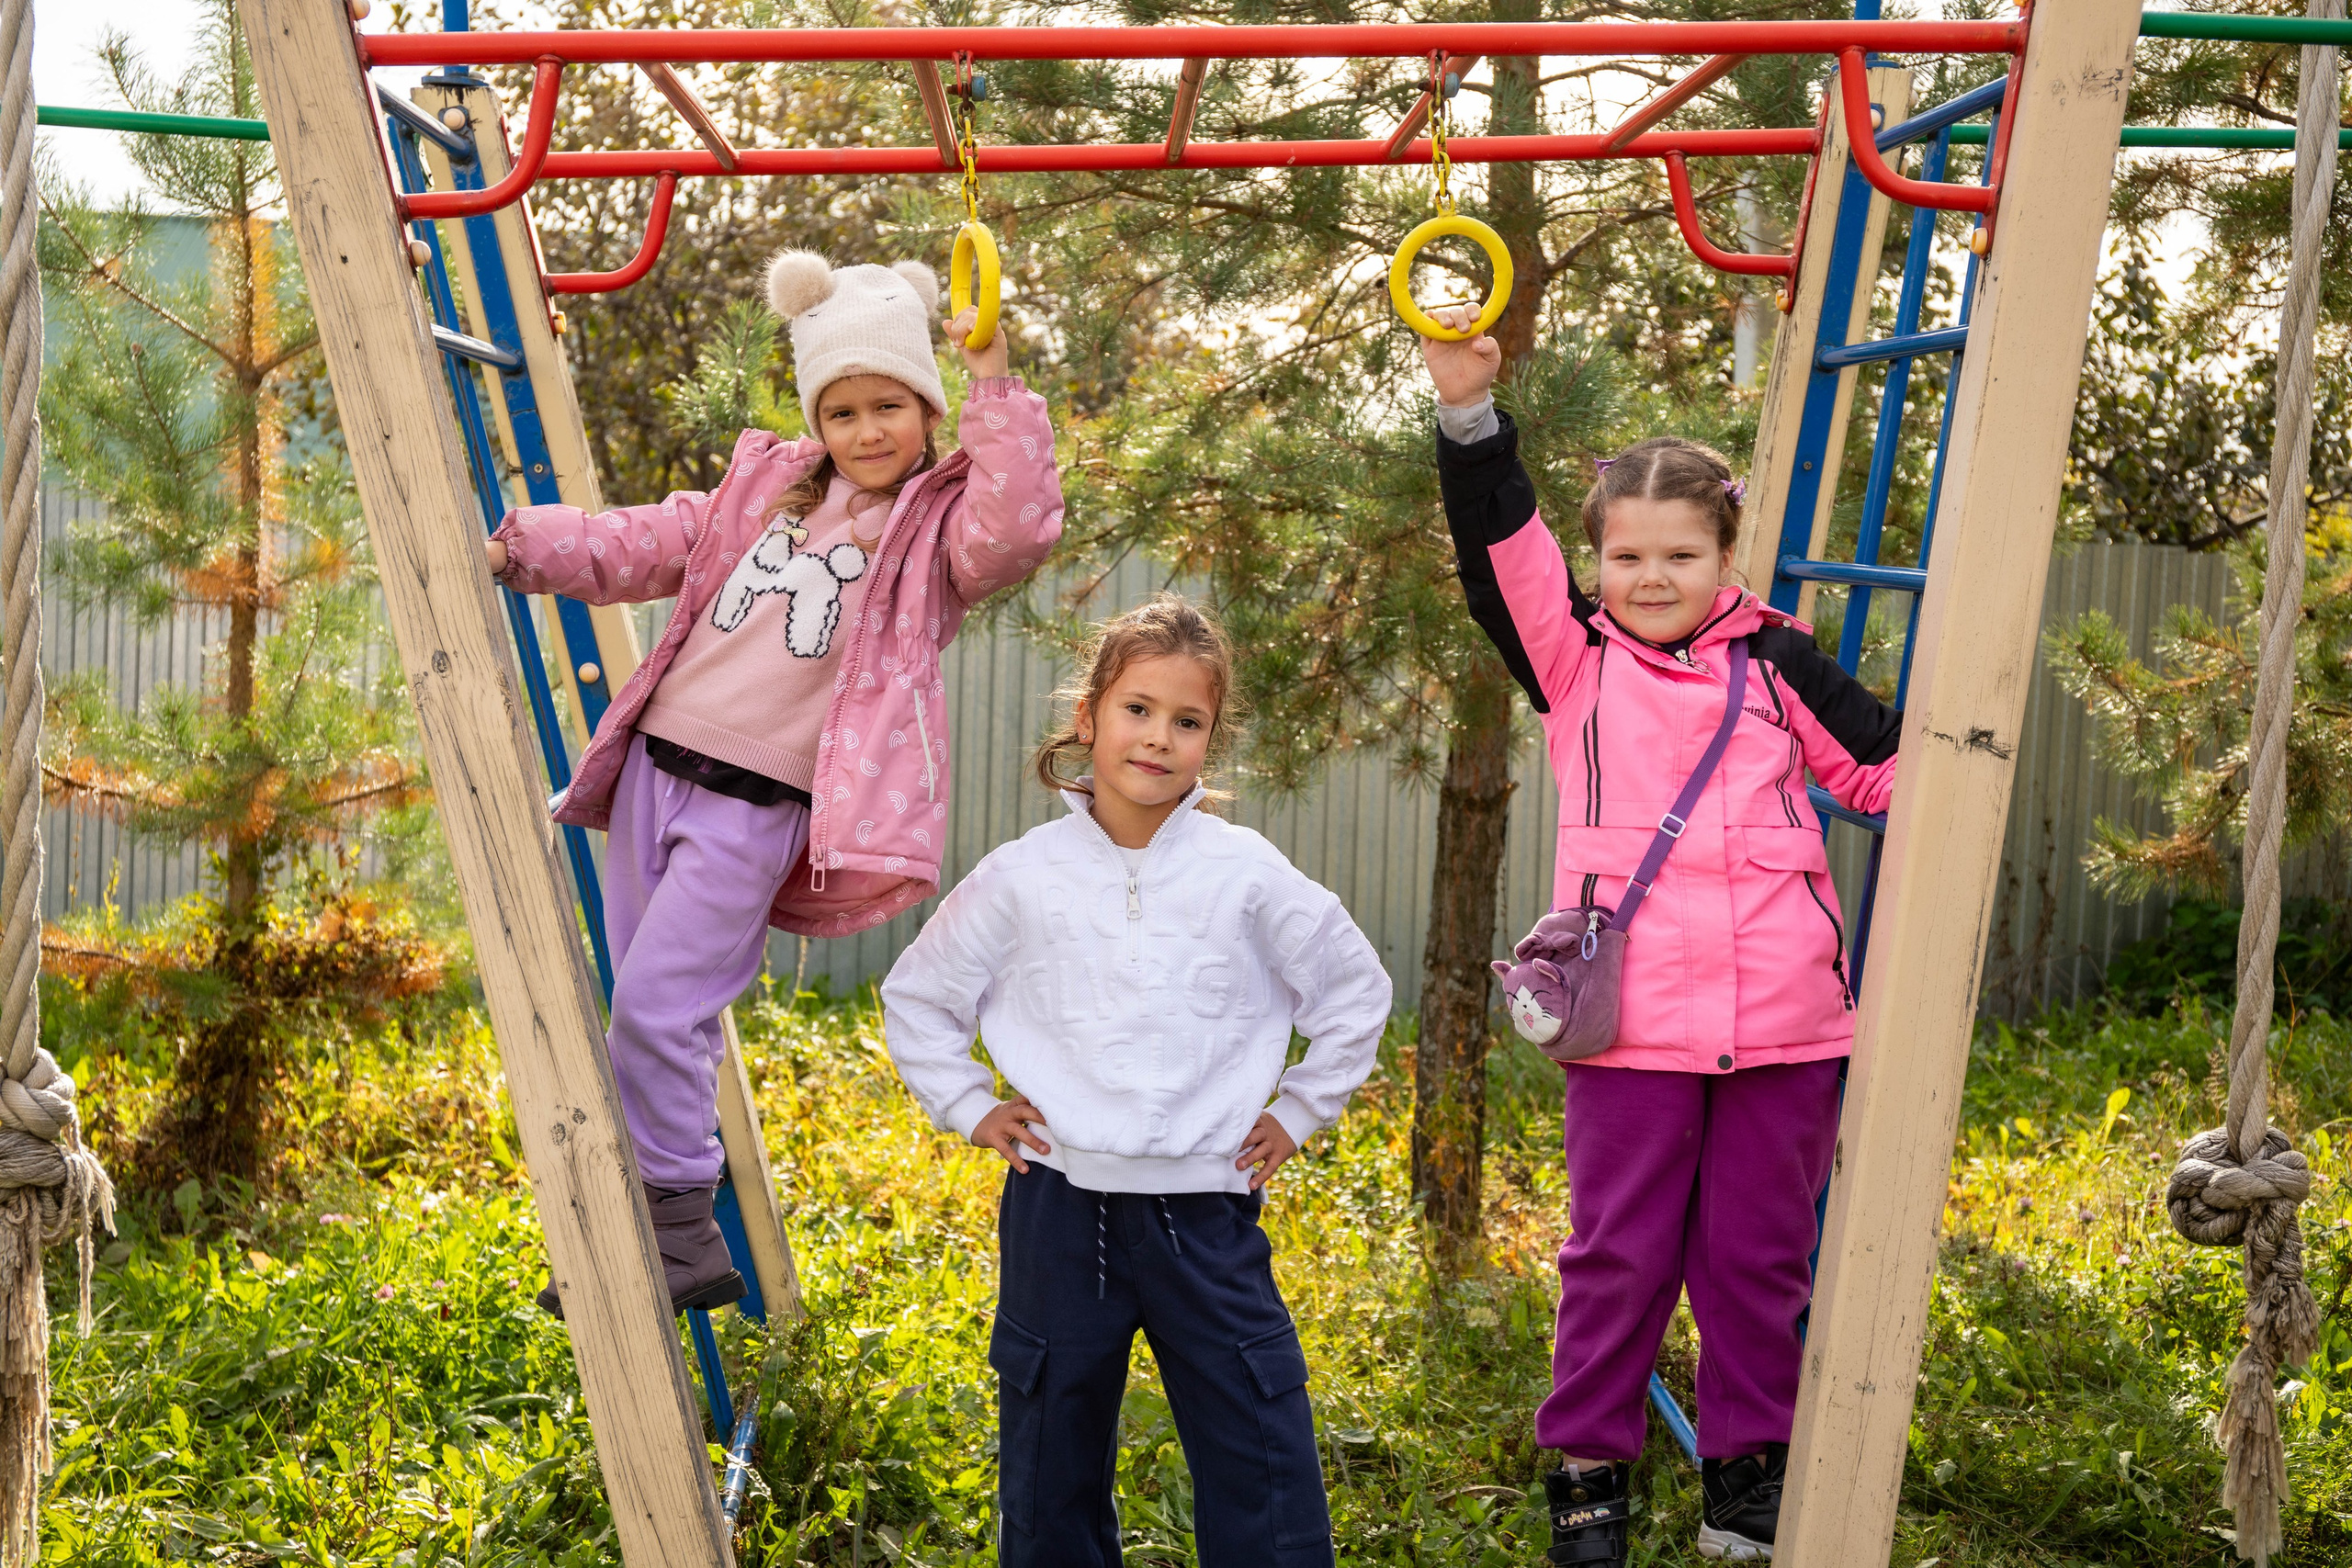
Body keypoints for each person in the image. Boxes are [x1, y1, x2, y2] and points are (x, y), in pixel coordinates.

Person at [484, 251, 1064, 1317]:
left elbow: (1018, 525)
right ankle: (655, 1231)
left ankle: (676, 1225)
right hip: (656, 768)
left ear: (927, 409)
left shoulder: (934, 533)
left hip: (757, 805)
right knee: (645, 1007)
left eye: (889, 403)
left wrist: (993, 373)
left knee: (658, 1011)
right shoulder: (763, 490)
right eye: (841, 410)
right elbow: (644, 540)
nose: (866, 430)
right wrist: (525, 547)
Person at [1419, 306, 1901, 1565]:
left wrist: (1965, 736)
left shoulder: (1782, 665)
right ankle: (1589, 1468)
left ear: (1727, 554)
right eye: (1626, 554)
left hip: (1785, 1027)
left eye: (1680, 554)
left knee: (1756, 1258)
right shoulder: (1574, 661)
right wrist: (1471, 416)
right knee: (1617, 1257)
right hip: (1628, 1032)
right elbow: (1499, 551)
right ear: (1597, 560)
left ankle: (1747, 1472)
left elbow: (1885, 775)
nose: (1649, 578)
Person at [879, 594, 1392, 1568]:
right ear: (1089, 717)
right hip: (1058, 1207)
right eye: (1137, 709)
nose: (1158, 738)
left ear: (1211, 742)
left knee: (1259, 1439)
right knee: (1048, 1451)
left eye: (1186, 721)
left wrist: (1296, 1109)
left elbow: (1353, 991)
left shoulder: (1245, 874)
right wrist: (970, 1105)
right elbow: (920, 997)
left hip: (1205, 1211)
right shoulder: (1021, 875)